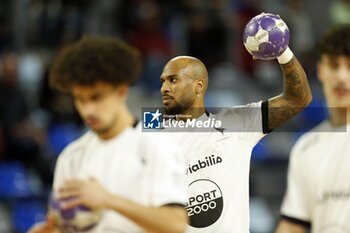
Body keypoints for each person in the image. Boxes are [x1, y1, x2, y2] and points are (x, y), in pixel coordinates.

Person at [157, 24, 313, 232]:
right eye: (163, 82)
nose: (164, 88)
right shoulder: (153, 141)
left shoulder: (236, 123)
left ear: (199, 86)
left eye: (173, 80)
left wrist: (283, 51)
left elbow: (298, 99)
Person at [28, 37, 188, 233]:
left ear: (121, 91)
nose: (88, 110)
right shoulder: (71, 157)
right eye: (80, 99)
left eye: (97, 97)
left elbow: (176, 223)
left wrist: (108, 200)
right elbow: (67, 224)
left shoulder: (156, 145)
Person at [275, 24, 350, 233]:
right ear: (320, 71)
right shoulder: (306, 148)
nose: (342, 77)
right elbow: (292, 224)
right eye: (334, 65)